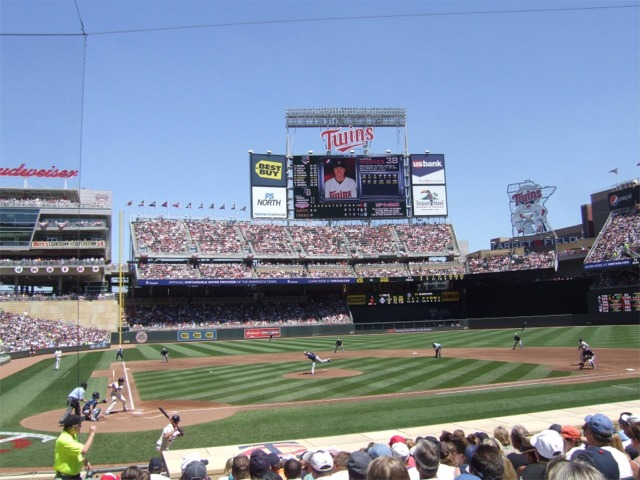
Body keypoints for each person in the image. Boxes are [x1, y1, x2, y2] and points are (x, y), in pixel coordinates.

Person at [54, 415, 97, 480]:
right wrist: (91, 434)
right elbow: (84, 450)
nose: (80, 427)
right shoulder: (64, 440)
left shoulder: (73, 435)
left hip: (75, 477)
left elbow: (72, 453)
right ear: (74, 427)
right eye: (79, 425)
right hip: (64, 478)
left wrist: (83, 460)